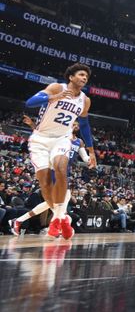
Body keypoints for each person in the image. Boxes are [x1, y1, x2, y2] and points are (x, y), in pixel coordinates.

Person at [22, 63, 97, 239]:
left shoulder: (85, 100)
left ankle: (56, 219)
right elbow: (30, 103)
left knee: (61, 168)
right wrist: (55, 97)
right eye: (81, 74)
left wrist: (91, 151)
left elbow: (85, 126)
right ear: (71, 77)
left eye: (86, 76)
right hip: (40, 138)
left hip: (62, 138)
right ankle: (62, 218)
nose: (84, 78)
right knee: (45, 184)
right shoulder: (56, 87)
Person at [10, 121, 89, 236]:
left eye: (77, 125)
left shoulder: (79, 142)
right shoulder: (59, 136)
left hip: (65, 173)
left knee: (51, 204)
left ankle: (19, 221)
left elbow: (85, 157)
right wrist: (33, 126)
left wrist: (89, 160)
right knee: (62, 201)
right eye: (73, 123)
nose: (75, 126)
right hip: (52, 170)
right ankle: (58, 225)